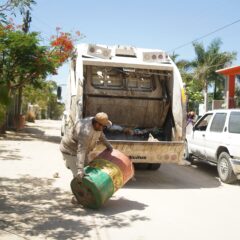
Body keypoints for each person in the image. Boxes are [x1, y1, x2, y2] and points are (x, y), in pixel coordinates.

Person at [60, 112, 113, 182]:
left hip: (82, 151)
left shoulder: (98, 126)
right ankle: (79, 189)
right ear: (97, 123)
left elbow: (101, 136)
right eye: (103, 126)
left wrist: (109, 146)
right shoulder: (85, 131)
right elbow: (81, 151)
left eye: (104, 126)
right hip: (69, 150)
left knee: (88, 170)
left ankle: (70, 164)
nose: (103, 128)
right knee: (80, 177)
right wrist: (80, 170)